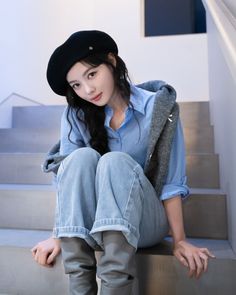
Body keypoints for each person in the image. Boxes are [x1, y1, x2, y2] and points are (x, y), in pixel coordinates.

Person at [31, 30, 215, 295]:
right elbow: (68, 177)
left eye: (91, 74)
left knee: (115, 162)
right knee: (79, 158)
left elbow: (172, 182)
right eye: (76, 85)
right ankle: (79, 289)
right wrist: (59, 234)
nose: (88, 90)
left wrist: (180, 240)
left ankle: (115, 288)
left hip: (145, 221)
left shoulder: (158, 107)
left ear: (112, 61)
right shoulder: (76, 114)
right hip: (96, 223)